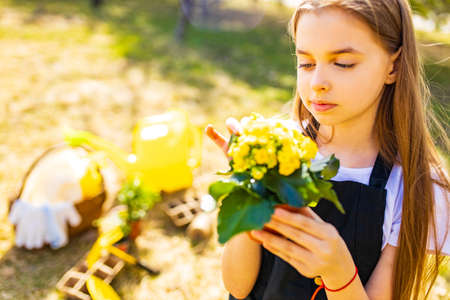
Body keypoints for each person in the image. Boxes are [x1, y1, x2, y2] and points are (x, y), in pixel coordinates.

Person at [205, 0, 450, 299]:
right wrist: (250, 190)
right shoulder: (282, 152)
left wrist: (338, 272)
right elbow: (237, 286)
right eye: (306, 63)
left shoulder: (417, 188)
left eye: (343, 63)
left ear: (394, 66)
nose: (317, 82)